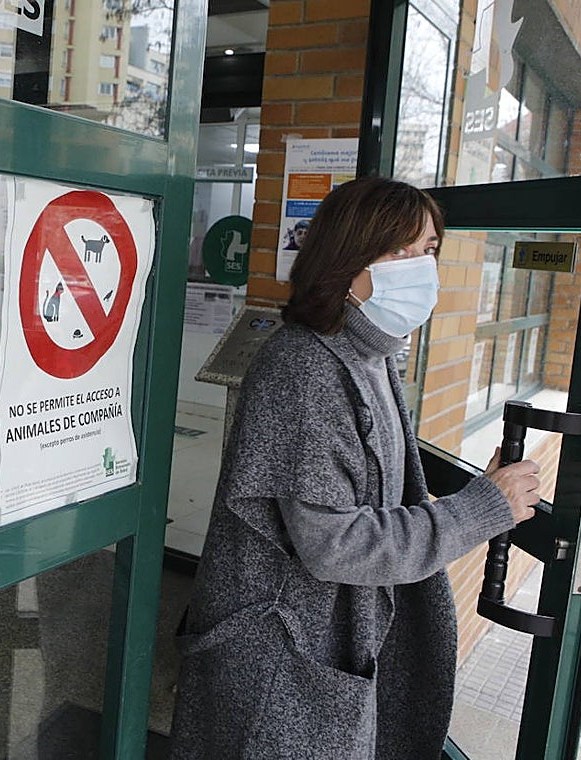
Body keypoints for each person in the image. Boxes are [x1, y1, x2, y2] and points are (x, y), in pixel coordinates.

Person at [170, 176, 542, 760]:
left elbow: (384, 491)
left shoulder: (370, 355)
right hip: (281, 663)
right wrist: (482, 509)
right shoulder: (305, 370)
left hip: (319, 646)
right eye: (400, 250)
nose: (422, 267)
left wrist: (478, 492)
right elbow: (335, 543)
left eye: (429, 250)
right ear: (347, 259)